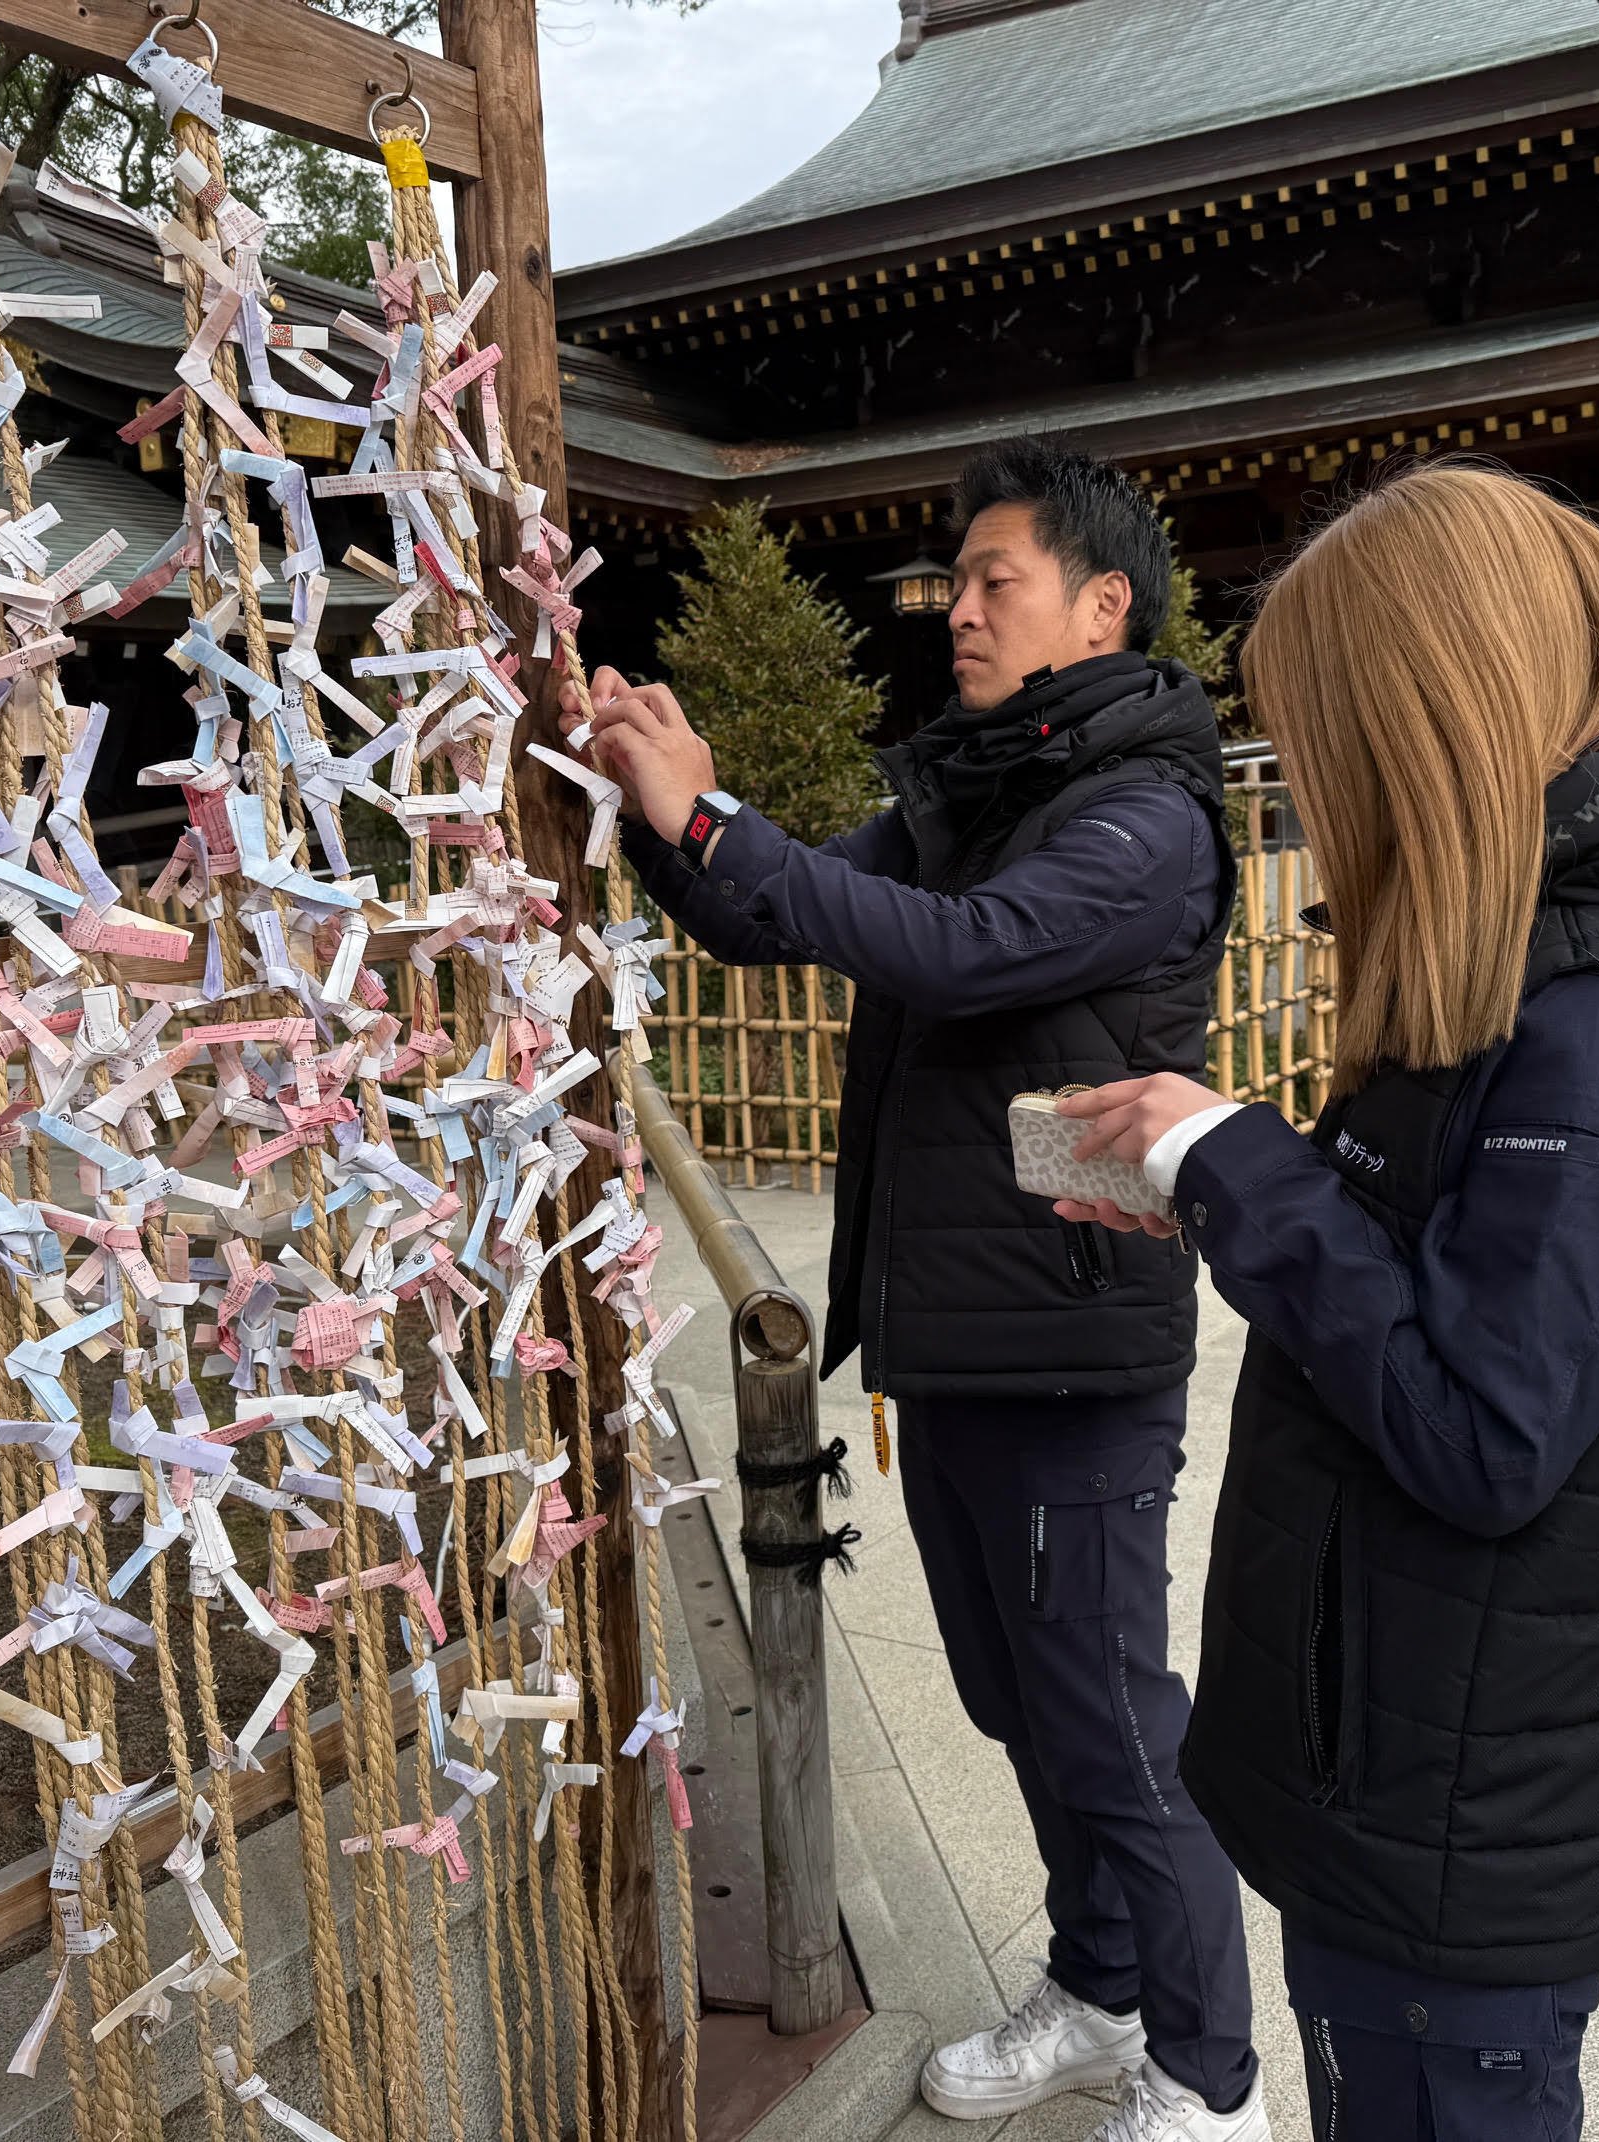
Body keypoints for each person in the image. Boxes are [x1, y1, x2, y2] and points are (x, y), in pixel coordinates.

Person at [1052, 465, 1599, 2140]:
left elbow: (1481, 1427)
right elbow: (1438, 1271)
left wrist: (1237, 1167)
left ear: (1425, 728)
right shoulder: (1522, 957)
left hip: (1458, 1839)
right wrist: (1211, 1170)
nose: (1313, 800)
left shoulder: (1596, 1020)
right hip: (1409, 1766)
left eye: (1325, 750)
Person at [579, 439, 1266, 2142]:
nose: (955, 608)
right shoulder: (980, 790)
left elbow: (963, 951)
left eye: (992, 580)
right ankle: (1100, 1990)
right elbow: (781, 916)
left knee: (1113, 1726)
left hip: (1075, 1347)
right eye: (952, 582)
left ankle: (1211, 2078)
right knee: (1022, 1708)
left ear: (1102, 605)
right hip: (961, 1337)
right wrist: (656, 813)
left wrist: (716, 816)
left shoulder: (1143, 816)